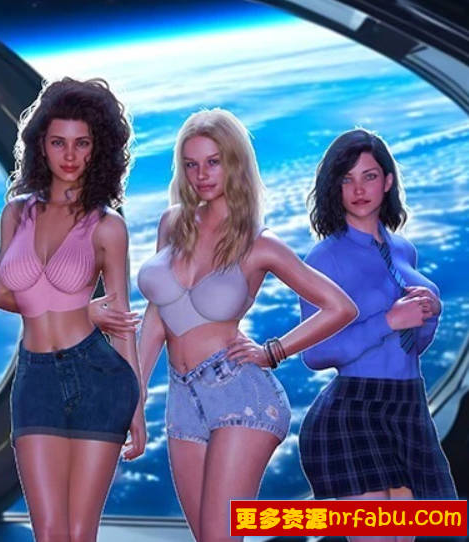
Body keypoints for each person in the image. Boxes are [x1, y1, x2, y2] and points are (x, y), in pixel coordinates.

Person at [133, 109, 356, 541]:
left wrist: (274, 351)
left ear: (234, 163)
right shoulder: (173, 223)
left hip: (241, 396)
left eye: (213, 162)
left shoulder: (259, 242)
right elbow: (158, 314)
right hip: (181, 399)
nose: (201, 175)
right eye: (191, 164)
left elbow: (340, 307)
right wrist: (136, 391)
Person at [0, 77, 141, 542]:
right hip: (34, 378)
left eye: (82, 143)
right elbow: (1, 294)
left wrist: (137, 407)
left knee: (79, 533)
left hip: (98, 377)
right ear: (42, 146)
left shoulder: (107, 226)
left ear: (99, 148)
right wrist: (80, 311)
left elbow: (123, 322)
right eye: (59, 142)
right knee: (49, 532)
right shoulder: (16, 213)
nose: (70, 155)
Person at [298, 129, 457, 534]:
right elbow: (314, 353)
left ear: (387, 181)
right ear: (334, 187)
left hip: (408, 405)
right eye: (347, 179)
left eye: (368, 176)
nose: (358, 190)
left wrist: (429, 313)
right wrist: (387, 320)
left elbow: (411, 347)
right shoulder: (323, 258)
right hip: (353, 410)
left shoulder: (404, 250)